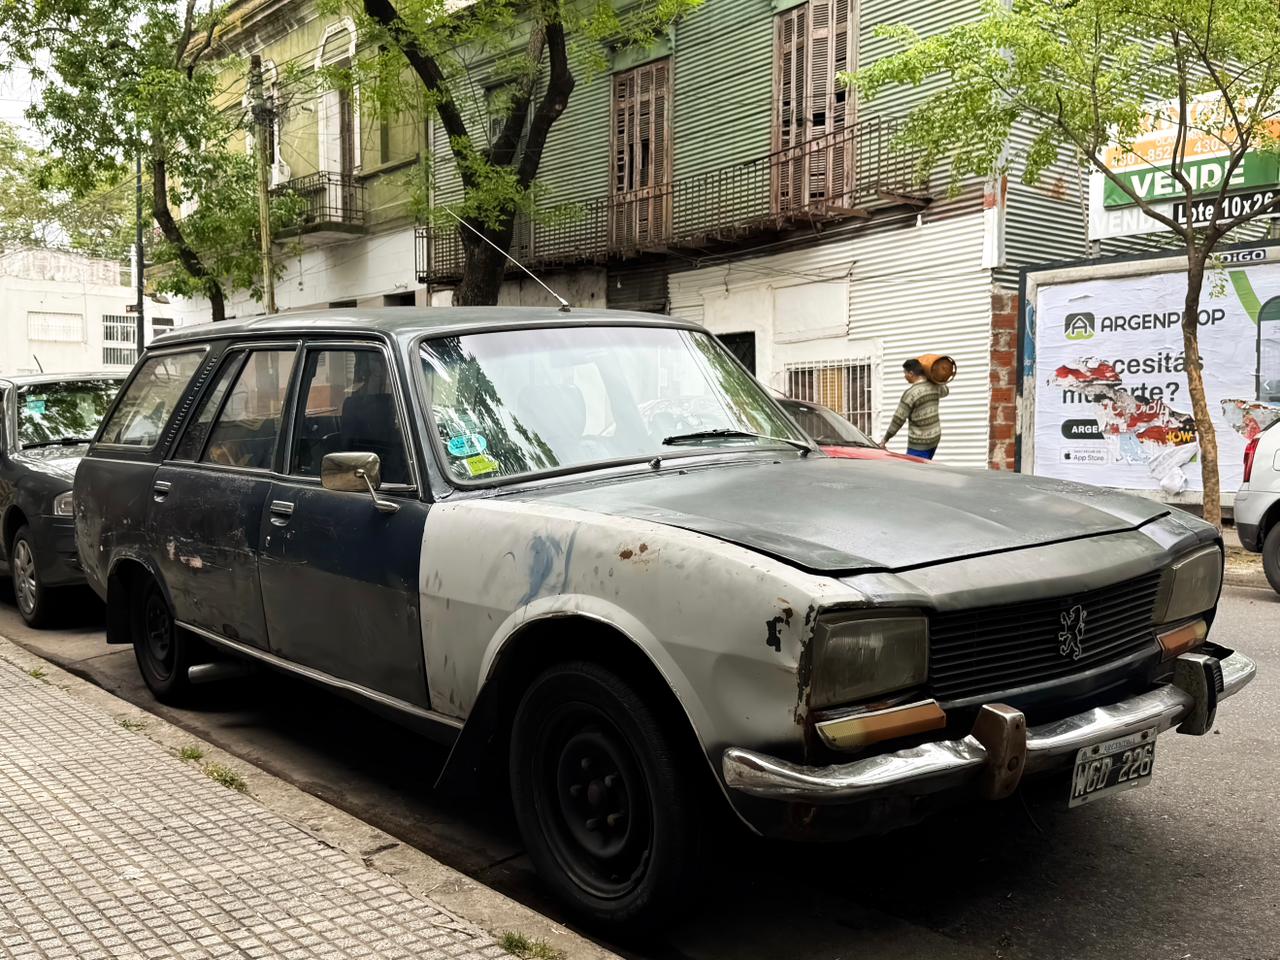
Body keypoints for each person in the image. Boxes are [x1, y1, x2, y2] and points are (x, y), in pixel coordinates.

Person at [883, 358, 949, 460]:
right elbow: (946, 391)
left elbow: (898, 420)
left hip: (920, 443)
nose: (904, 376)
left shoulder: (910, 393)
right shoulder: (934, 386)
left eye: (905, 373)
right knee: (926, 467)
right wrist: (934, 378)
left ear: (911, 373)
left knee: (915, 471)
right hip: (934, 437)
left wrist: (885, 440)